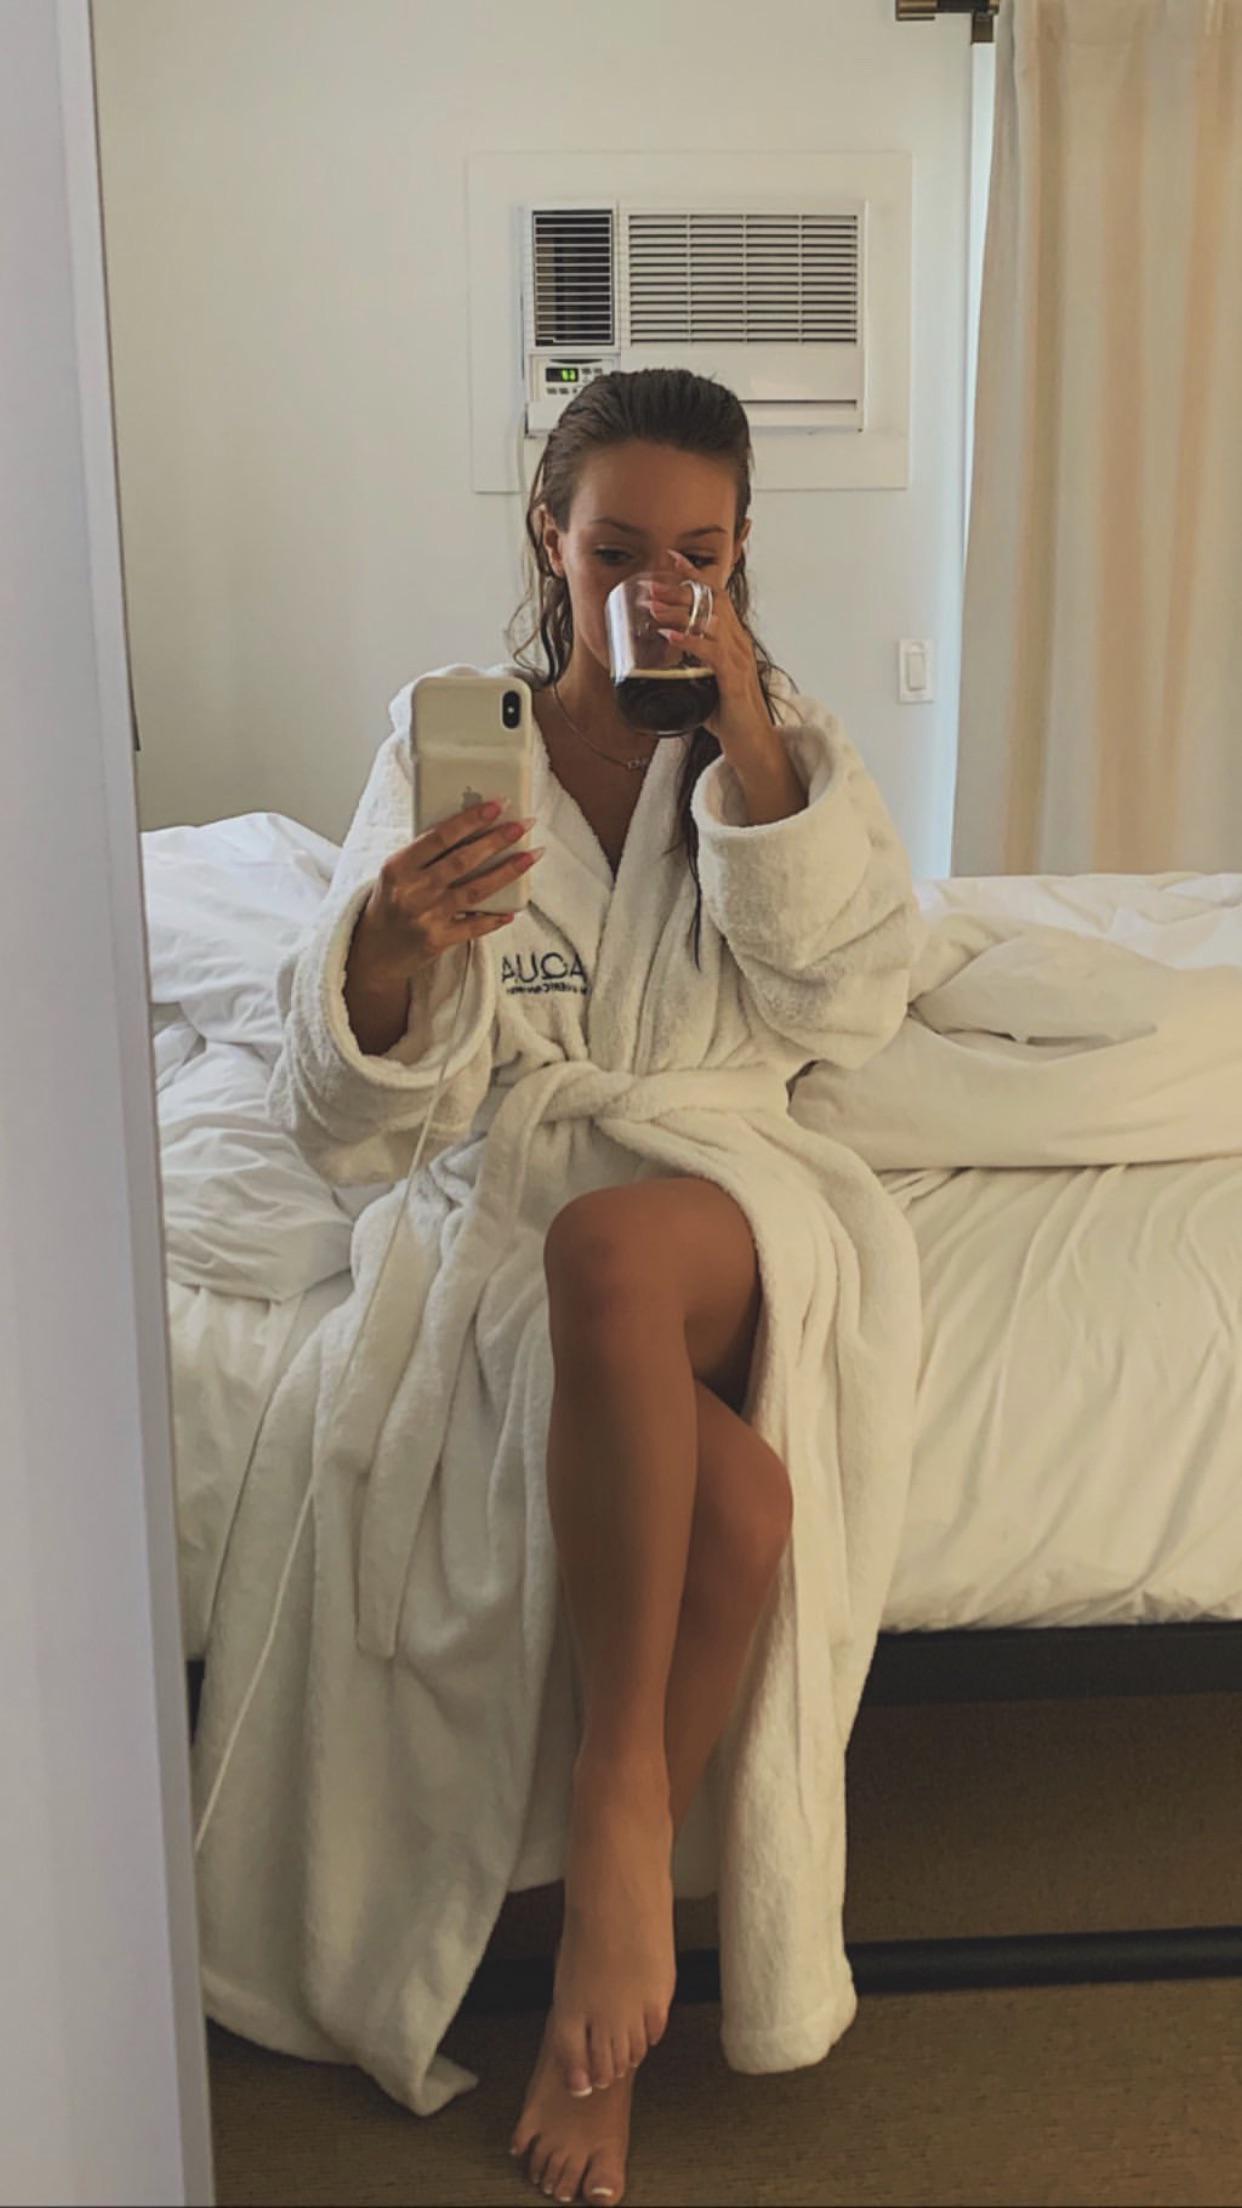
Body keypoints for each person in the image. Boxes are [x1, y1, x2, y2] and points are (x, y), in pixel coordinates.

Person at [191, 368, 923, 2208]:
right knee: (738, 1508)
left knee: (612, 1246)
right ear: (550, 538)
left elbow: (849, 1006)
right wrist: (388, 940)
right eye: (616, 550)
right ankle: (611, 1999)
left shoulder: (780, 746)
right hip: (525, 1185)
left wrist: (746, 741)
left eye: (700, 553)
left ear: (740, 552)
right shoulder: (457, 741)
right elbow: (356, 1102)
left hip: (717, 1186)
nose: (657, 587)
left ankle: (612, 1827)